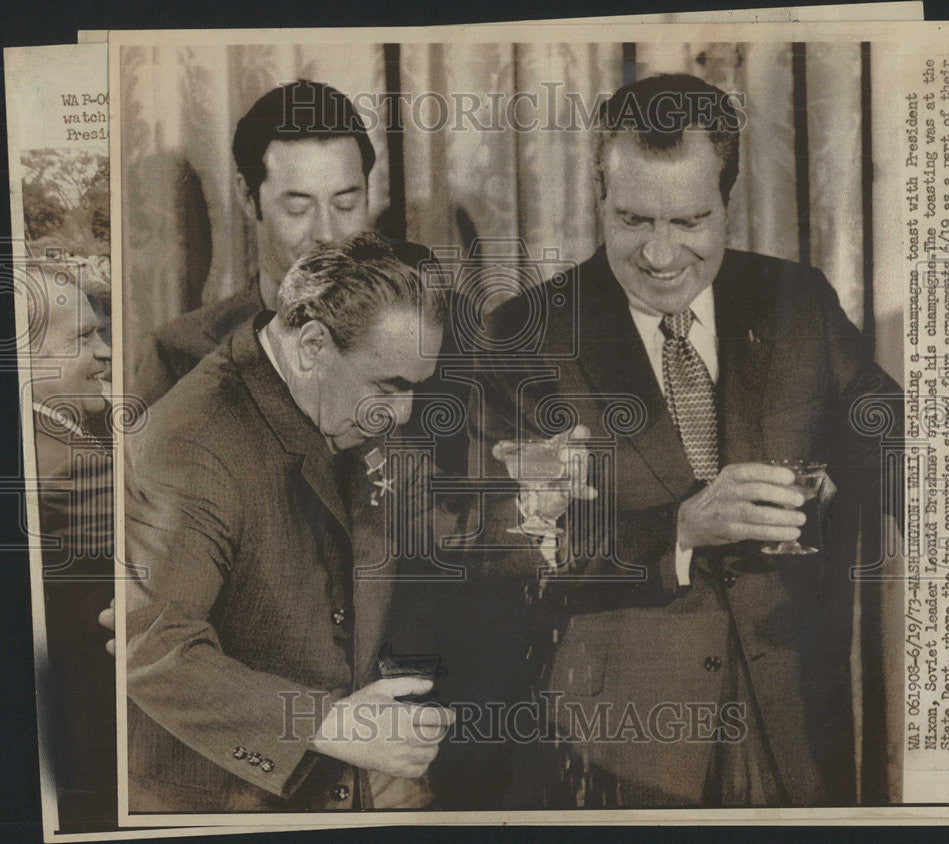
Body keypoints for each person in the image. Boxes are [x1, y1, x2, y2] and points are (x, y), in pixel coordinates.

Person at [465, 74, 903, 808]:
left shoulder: (797, 301)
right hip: (622, 751)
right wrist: (681, 528)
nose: (661, 256)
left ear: (729, 202)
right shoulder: (523, 337)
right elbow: (506, 553)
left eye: (691, 221)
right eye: (634, 220)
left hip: (791, 731)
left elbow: (895, 443)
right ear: (599, 199)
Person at [125, 233, 455, 812]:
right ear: (310, 345)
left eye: (415, 388)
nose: (402, 413)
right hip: (219, 804)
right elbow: (153, 648)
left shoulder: (346, 398)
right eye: (389, 387)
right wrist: (329, 726)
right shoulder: (189, 443)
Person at [131, 80, 375, 406]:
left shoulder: (437, 338)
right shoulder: (178, 355)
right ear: (247, 196)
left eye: (345, 204)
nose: (327, 234)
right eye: (297, 208)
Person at [27, 264, 115, 830]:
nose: (105, 352)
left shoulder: (59, 429)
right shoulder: (61, 467)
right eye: (84, 338)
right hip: (90, 729)